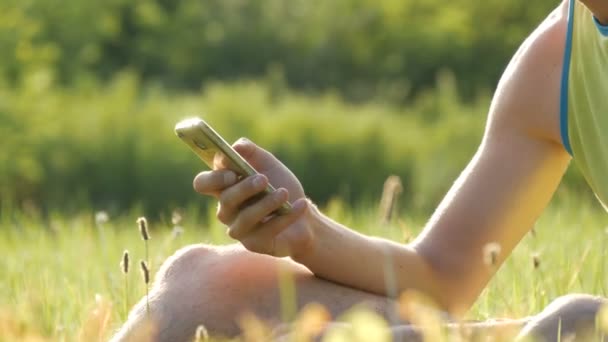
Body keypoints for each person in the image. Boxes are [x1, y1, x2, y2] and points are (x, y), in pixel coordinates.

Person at [112, 0, 608, 341]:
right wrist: (304, 230)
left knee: (579, 322)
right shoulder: (557, 59)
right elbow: (442, 279)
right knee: (201, 285)